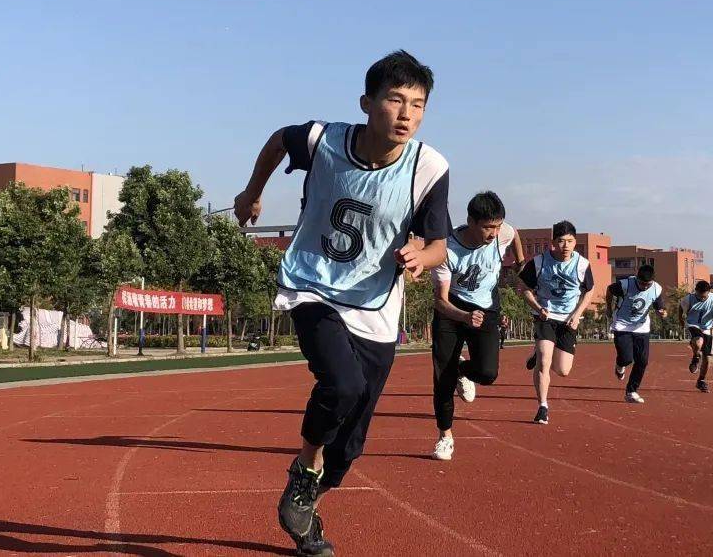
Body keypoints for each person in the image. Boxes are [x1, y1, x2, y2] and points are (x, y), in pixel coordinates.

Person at [234, 50, 450, 557]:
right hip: (311, 283)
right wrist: (251, 192)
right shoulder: (322, 139)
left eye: (418, 105)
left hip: (376, 306)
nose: (406, 115)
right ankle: (302, 471)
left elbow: (439, 243)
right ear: (367, 102)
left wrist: (421, 253)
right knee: (341, 383)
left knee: (350, 447)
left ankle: (307, 512)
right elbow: (277, 140)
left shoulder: (428, 167)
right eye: (395, 100)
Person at [430, 191, 524, 460]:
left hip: (487, 306)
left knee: (487, 373)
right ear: (470, 221)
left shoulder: (503, 233)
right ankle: (445, 436)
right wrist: (463, 316)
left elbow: (514, 233)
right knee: (442, 379)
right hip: (452, 310)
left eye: (497, 226)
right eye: (487, 227)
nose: (494, 233)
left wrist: (520, 263)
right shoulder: (446, 250)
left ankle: (461, 370)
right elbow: (440, 301)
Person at [519, 221, 594, 424]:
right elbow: (523, 287)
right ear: (553, 242)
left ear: (575, 242)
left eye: (570, 241)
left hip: (568, 320)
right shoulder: (539, 262)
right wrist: (538, 308)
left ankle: (538, 351)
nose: (566, 246)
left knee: (563, 370)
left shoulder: (582, 264)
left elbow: (589, 290)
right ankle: (542, 406)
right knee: (544, 361)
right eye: (561, 241)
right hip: (546, 316)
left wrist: (577, 314)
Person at [607, 264, 666, 404]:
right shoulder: (625, 284)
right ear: (636, 278)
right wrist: (608, 308)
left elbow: (660, 307)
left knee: (642, 361)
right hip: (622, 325)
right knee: (627, 359)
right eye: (641, 283)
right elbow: (609, 290)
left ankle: (631, 391)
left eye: (648, 284)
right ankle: (620, 365)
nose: (644, 286)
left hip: (642, 327)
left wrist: (662, 313)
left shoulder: (656, 289)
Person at [680, 280, 713, 393]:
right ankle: (695, 357)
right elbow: (680, 307)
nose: (702, 298)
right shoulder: (688, 299)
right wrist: (681, 321)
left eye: (704, 296)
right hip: (693, 324)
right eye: (700, 296)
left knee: (707, 358)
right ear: (696, 292)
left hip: (708, 328)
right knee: (698, 341)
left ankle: (701, 381)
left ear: (709, 292)